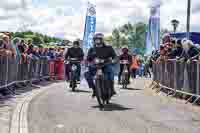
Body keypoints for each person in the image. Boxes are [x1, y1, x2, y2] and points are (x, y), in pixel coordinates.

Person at [84, 33, 117, 98]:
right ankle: (94, 89)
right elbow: (88, 59)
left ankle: (112, 89)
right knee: (86, 74)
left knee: (111, 75)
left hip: (106, 65)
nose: (97, 41)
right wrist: (87, 63)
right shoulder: (92, 49)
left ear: (102, 40)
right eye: (96, 39)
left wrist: (113, 60)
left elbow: (115, 56)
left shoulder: (109, 48)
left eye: (98, 39)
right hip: (95, 66)